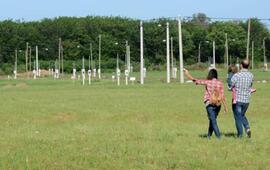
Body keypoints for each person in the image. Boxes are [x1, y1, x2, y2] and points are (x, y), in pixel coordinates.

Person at [184, 68, 228, 139]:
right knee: (212, 120)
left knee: (213, 121)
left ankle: (219, 137)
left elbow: (195, 81)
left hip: (209, 103)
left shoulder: (207, 82)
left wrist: (187, 74)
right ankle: (208, 136)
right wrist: (225, 107)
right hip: (218, 105)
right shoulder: (220, 83)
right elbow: (222, 96)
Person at [231, 60, 254, 138]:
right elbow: (250, 86)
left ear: (241, 65)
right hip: (246, 100)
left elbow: (230, 86)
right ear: (249, 65)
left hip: (237, 100)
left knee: (237, 117)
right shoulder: (251, 75)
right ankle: (247, 128)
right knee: (242, 115)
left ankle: (240, 135)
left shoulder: (237, 75)